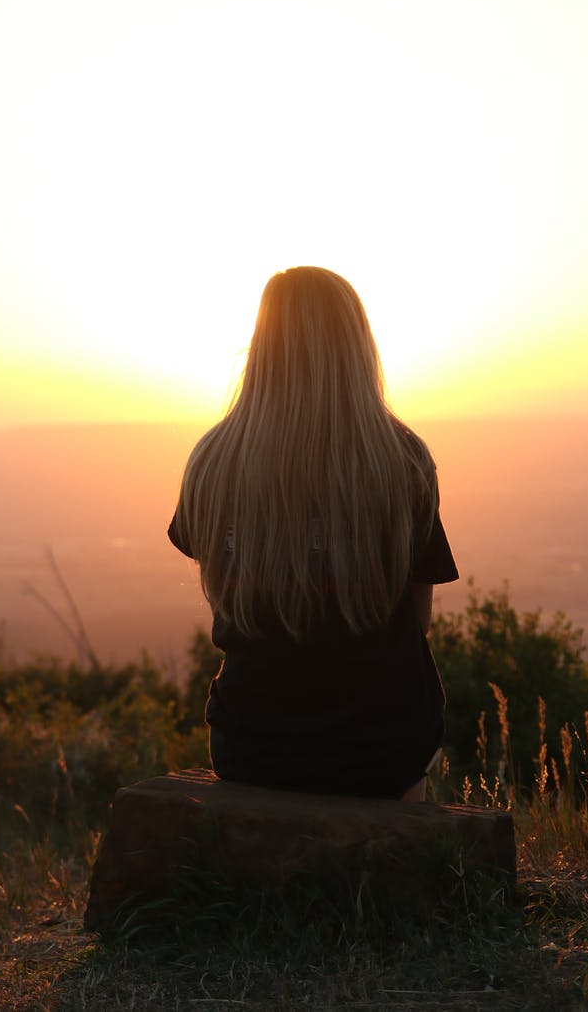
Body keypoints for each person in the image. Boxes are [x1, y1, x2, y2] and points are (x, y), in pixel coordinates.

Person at [168, 266, 458, 802]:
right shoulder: (404, 462)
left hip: (251, 745)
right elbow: (418, 622)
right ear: (357, 348)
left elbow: (223, 594)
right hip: (382, 748)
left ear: (261, 347)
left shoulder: (212, 461)